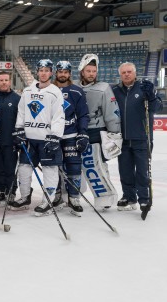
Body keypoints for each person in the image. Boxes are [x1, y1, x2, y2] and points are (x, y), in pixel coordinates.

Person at [10, 59, 65, 216]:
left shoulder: (55, 92)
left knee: (49, 170)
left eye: (47, 70)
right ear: (37, 72)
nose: (43, 73)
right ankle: (25, 197)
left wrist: (55, 136)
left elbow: (59, 116)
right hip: (29, 139)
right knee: (24, 169)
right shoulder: (27, 91)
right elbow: (21, 111)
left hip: (47, 139)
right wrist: (19, 129)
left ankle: (48, 200)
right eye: (41, 70)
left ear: (51, 72)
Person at [112, 62, 162, 219]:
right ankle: (129, 197)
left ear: (135, 73)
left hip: (142, 138)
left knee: (142, 172)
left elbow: (157, 108)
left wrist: (152, 96)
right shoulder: (115, 90)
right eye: (123, 73)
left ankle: (144, 199)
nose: (126, 74)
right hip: (123, 139)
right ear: (120, 75)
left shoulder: (145, 88)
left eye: (129, 72)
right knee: (125, 171)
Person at [75, 54, 121, 210]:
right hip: (75, 132)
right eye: (88, 70)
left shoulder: (104, 87)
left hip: (95, 131)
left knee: (95, 164)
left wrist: (114, 134)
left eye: (94, 71)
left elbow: (112, 112)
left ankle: (105, 197)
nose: (91, 74)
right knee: (74, 165)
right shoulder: (74, 87)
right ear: (82, 71)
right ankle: (73, 194)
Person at [52, 60, 90, 216]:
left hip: (71, 135)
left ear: (69, 74)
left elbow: (83, 114)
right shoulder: (49, 90)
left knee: (74, 168)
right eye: (60, 72)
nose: (62, 74)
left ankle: (74, 198)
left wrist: (83, 133)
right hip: (53, 136)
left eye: (65, 72)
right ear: (56, 73)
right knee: (54, 169)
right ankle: (57, 196)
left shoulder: (76, 91)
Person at [0, 71, 20, 207]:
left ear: (10, 81)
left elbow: (21, 119)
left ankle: (11, 191)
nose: (3, 82)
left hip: (10, 140)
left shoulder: (17, 98)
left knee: (9, 167)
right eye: (1, 80)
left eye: (6, 80)